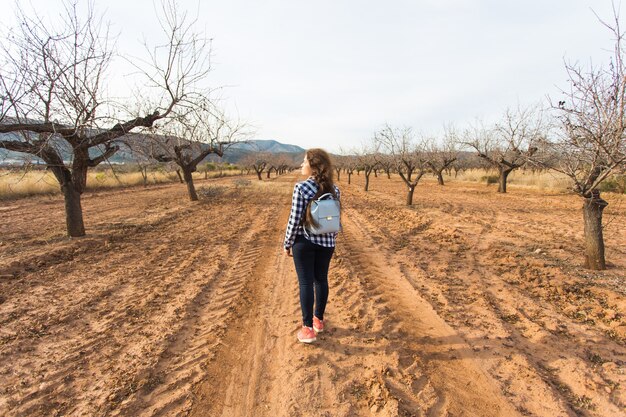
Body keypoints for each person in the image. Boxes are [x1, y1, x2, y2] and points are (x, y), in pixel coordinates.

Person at [283, 148, 341, 344]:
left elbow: (295, 219)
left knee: (306, 282)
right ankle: (318, 321)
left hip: (305, 242)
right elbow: (334, 219)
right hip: (327, 243)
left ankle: (307, 329)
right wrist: (331, 240)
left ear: (313, 166)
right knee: (321, 280)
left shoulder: (302, 188)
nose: (302, 165)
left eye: (304, 161)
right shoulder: (335, 190)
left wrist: (287, 243)